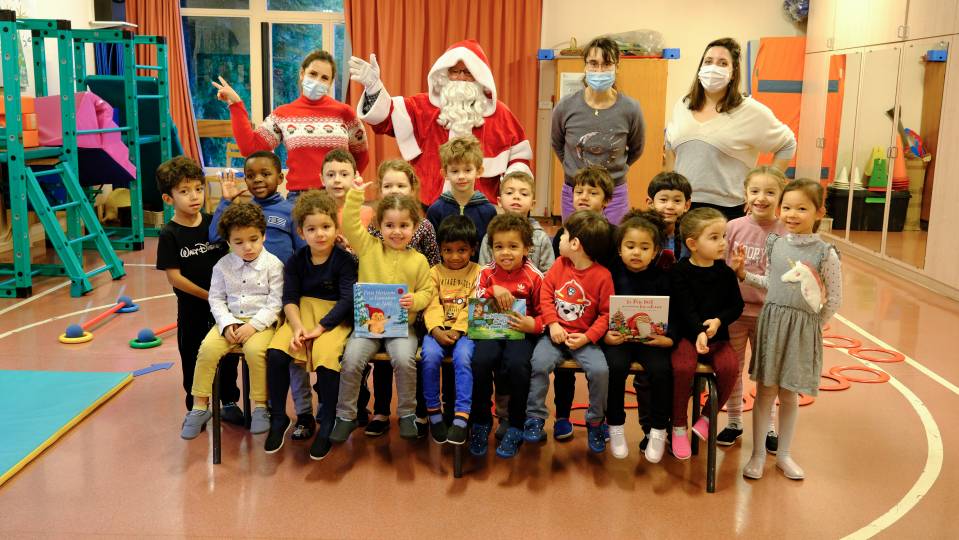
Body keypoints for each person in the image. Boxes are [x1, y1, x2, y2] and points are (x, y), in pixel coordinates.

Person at [734, 179, 842, 480]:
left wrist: (812, 327)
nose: (792, 215)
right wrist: (745, 275)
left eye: (802, 208)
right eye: (788, 208)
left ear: (819, 212)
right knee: (765, 390)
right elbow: (774, 283)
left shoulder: (826, 253)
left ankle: (783, 455)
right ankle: (757, 455)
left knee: (790, 393)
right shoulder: (776, 243)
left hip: (801, 330)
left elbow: (834, 299)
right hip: (772, 323)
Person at [209, 151, 316, 441]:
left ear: (280, 178)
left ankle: (305, 413)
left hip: (286, 299)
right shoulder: (240, 210)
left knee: (292, 356)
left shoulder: (290, 211)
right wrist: (225, 200)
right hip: (253, 302)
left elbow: (302, 251)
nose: (257, 179)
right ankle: (267, 408)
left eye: (265, 173)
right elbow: (214, 236)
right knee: (264, 356)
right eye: (251, 175)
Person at [349, 40, 532, 205]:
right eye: (455, 71)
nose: (460, 77)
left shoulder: (500, 114)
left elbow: (519, 156)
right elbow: (386, 119)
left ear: (479, 77)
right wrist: (374, 88)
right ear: (445, 74)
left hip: (480, 207)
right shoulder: (423, 107)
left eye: (468, 72)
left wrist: (513, 191)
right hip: (429, 205)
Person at [329, 177, 434, 444]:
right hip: (367, 328)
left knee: (404, 359)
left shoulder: (419, 260)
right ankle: (345, 415)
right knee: (351, 359)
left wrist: (416, 301)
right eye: (389, 225)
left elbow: (427, 291)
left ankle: (408, 414)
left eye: (403, 226)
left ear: (415, 227)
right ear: (378, 226)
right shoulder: (368, 247)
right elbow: (351, 225)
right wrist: (354, 196)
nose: (396, 232)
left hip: (402, 328)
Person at [263, 190, 357, 460]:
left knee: (327, 359)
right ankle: (280, 418)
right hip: (300, 315)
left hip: (333, 319)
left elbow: (347, 299)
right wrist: (295, 328)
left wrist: (321, 328)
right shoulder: (295, 261)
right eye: (312, 229)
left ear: (336, 228)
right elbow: (289, 298)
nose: (320, 234)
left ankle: (327, 421)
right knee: (277, 353)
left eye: (326, 227)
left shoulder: (344, 261)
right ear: (302, 233)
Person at [180, 203, 285, 440]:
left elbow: (275, 303)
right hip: (230, 322)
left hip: (261, 323)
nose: (248, 247)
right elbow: (216, 299)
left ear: (263, 236)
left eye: (254, 239)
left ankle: (260, 406)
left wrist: (253, 326)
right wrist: (227, 324)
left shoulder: (274, 265)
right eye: (239, 242)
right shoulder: (222, 266)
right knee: (206, 350)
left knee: (256, 351)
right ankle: (199, 407)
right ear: (228, 242)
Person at [665, 37, 796, 221]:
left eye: (722, 63)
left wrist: (764, 189)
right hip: (682, 207)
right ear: (700, 68)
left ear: (733, 73)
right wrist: (669, 192)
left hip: (728, 211)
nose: (713, 68)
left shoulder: (750, 110)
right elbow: (670, 145)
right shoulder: (683, 104)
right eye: (708, 61)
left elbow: (787, 144)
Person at [214, 49, 369, 199]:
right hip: (299, 198)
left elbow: (361, 157)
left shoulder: (345, 113)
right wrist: (236, 105)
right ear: (302, 74)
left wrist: (345, 183)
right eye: (313, 74)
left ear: (331, 82)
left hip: (338, 197)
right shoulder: (283, 114)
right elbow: (250, 147)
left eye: (324, 78)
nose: (317, 81)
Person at [361, 159, 441, 438]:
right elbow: (368, 259)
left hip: (415, 308)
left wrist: (418, 297)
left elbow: (434, 265)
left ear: (412, 188)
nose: (394, 190)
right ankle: (382, 410)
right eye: (387, 185)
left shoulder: (425, 226)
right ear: (380, 190)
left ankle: (417, 412)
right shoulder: (376, 226)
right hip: (380, 312)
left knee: (411, 357)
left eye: (401, 185)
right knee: (382, 359)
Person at [523, 210, 613, 456]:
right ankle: (535, 417)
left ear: (575, 244)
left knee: (600, 371)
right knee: (539, 363)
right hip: (553, 336)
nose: (559, 239)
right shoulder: (559, 265)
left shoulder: (603, 276)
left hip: (584, 339)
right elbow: (546, 296)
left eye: (563, 235)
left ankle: (595, 421)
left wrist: (587, 337)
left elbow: (606, 314)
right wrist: (552, 324)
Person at [154, 157, 237, 420]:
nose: (194, 196)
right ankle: (197, 407)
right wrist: (208, 296)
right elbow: (175, 278)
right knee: (192, 356)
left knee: (229, 355)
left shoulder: (214, 223)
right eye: (184, 191)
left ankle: (229, 402)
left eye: (198, 189)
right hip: (192, 309)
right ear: (169, 199)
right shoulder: (170, 234)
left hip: (225, 308)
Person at [719, 166, 787, 450]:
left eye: (770, 192)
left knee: (766, 372)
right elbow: (722, 268)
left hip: (769, 315)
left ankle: (768, 425)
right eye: (755, 191)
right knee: (733, 369)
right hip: (735, 314)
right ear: (745, 194)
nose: (762, 198)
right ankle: (734, 421)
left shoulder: (785, 231)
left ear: (781, 196)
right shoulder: (733, 227)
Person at [668, 207, 744, 459]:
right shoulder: (679, 272)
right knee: (682, 367)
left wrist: (718, 321)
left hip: (717, 338)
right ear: (692, 244)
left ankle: (707, 417)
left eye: (723, 236)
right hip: (687, 336)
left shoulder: (724, 272)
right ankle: (678, 426)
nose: (723, 243)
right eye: (714, 237)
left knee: (730, 367)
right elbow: (685, 308)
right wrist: (699, 331)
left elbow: (736, 306)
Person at [602, 210, 677, 461]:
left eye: (644, 247)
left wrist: (670, 338)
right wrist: (605, 336)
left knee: (661, 371)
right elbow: (597, 308)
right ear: (620, 249)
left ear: (655, 252)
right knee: (615, 367)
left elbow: (675, 313)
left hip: (652, 340)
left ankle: (658, 429)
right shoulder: (609, 274)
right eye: (630, 246)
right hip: (618, 340)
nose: (636, 252)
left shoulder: (663, 278)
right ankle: (615, 426)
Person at [469, 214, 545, 458]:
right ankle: (481, 421)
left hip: (521, 334)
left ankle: (515, 424)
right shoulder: (485, 273)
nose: (506, 253)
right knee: (480, 362)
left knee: (517, 365)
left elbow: (548, 316)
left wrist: (532, 324)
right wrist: (494, 289)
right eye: (499, 247)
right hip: (489, 332)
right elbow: (476, 299)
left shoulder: (535, 276)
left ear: (527, 249)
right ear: (491, 249)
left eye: (513, 246)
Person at [551, 36, 645, 225]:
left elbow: (636, 149)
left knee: (612, 246)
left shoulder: (631, 108)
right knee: (575, 245)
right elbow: (558, 144)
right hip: (574, 192)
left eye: (607, 64)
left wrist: (614, 172)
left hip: (614, 194)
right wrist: (574, 170)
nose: (599, 70)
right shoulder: (565, 106)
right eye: (593, 63)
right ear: (585, 66)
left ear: (617, 66)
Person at [549, 165, 613, 441]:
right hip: (566, 319)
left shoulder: (612, 235)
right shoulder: (562, 236)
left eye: (592, 192)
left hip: (598, 318)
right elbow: (556, 278)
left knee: (601, 369)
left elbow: (612, 279)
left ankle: (599, 418)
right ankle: (562, 416)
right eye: (579, 191)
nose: (584, 196)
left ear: (606, 201)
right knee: (563, 370)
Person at [421, 215, 482, 445]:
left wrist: (457, 330)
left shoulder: (478, 272)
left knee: (464, 358)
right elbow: (431, 302)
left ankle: (461, 415)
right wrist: (436, 330)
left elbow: (475, 304)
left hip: (465, 332)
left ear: (473, 250)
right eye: (448, 250)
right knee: (429, 357)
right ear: (440, 249)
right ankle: (434, 412)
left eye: (462, 250)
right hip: (436, 330)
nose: (454, 256)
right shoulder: (434, 272)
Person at [425, 136, 498, 247]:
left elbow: (490, 249)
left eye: (468, 170)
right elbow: (432, 249)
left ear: (479, 171)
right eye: (454, 171)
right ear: (445, 174)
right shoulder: (435, 210)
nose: (461, 176)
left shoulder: (488, 211)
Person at [478, 170, 555, 272]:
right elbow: (483, 271)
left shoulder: (540, 237)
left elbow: (548, 274)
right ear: (499, 201)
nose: (516, 197)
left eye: (523, 194)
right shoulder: (490, 235)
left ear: (532, 204)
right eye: (510, 192)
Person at [647, 171, 693, 264]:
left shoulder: (690, 238)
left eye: (677, 200)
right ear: (650, 203)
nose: (670, 206)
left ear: (686, 206)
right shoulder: (641, 233)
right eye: (663, 200)